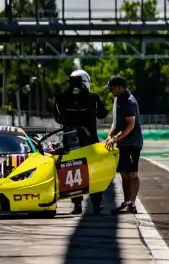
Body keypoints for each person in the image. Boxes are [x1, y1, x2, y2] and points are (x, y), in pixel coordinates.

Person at [53, 69, 108, 214]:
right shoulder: (93, 97)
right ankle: (97, 204)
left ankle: (77, 204)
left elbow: (57, 118)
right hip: (90, 140)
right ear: (85, 81)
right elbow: (103, 114)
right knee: (94, 171)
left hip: (70, 140)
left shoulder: (61, 97)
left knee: (72, 173)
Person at [104, 76, 143, 215]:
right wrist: (110, 135)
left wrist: (114, 138)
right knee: (124, 174)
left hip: (133, 143)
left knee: (132, 174)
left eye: (112, 88)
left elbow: (130, 125)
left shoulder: (129, 101)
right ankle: (126, 201)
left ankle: (132, 203)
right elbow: (115, 122)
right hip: (122, 143)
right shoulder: (117, 99)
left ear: (120, 87)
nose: (110, 91)